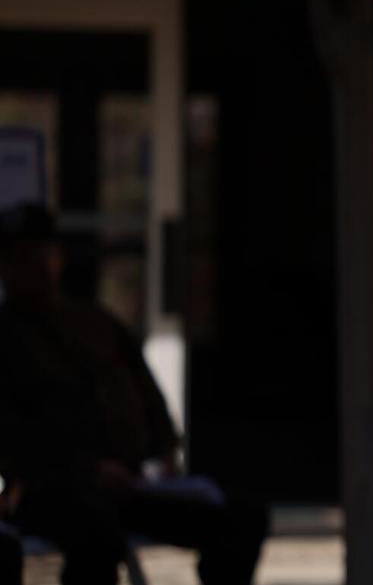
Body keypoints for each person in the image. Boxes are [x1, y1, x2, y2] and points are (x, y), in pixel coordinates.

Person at [0, 204, 267, 585]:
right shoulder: (7, 337)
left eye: (43, 251)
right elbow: (14, 440)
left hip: (130, 483)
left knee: (241, 517)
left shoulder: (96, 323)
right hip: (51, 491)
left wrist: (162, 450)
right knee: (96, 536)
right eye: (22, 256)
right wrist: (88, 470)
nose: (36, 264)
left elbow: (147, 395)